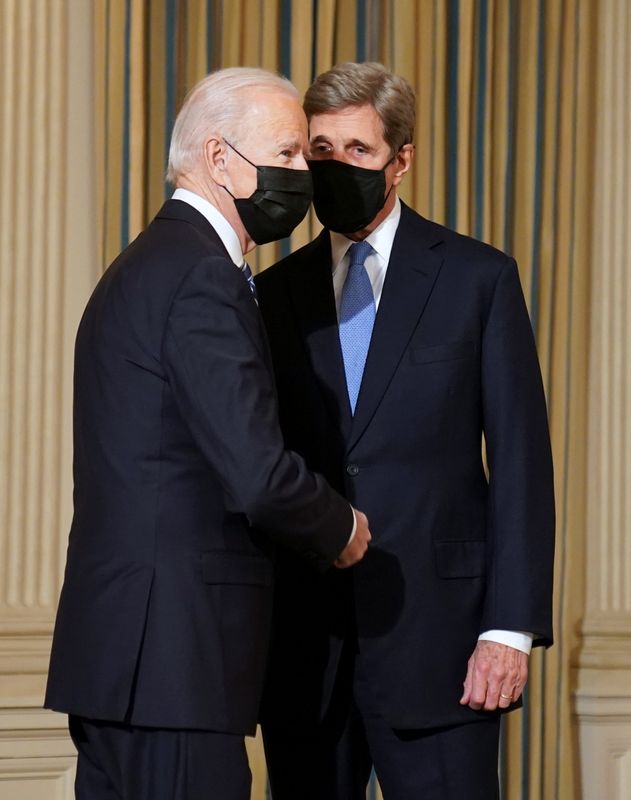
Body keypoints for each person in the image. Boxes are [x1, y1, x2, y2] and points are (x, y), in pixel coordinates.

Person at [44, 66, 371, 800]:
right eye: (288, 154)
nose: (304, 175)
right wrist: (340, 525)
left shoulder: (146, 265)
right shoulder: (200, 277)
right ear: (220, 159)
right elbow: (256, 474)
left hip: (128, 663)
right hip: (175, 663)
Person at [256, 61, 555, 800]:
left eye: (356, 151)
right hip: (304, 654)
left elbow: (520, 462)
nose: (335, 168)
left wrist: (507, 631)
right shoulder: (271, 293)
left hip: (446, 652)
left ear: (400, 160)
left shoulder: (477, 279)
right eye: (319, 152)